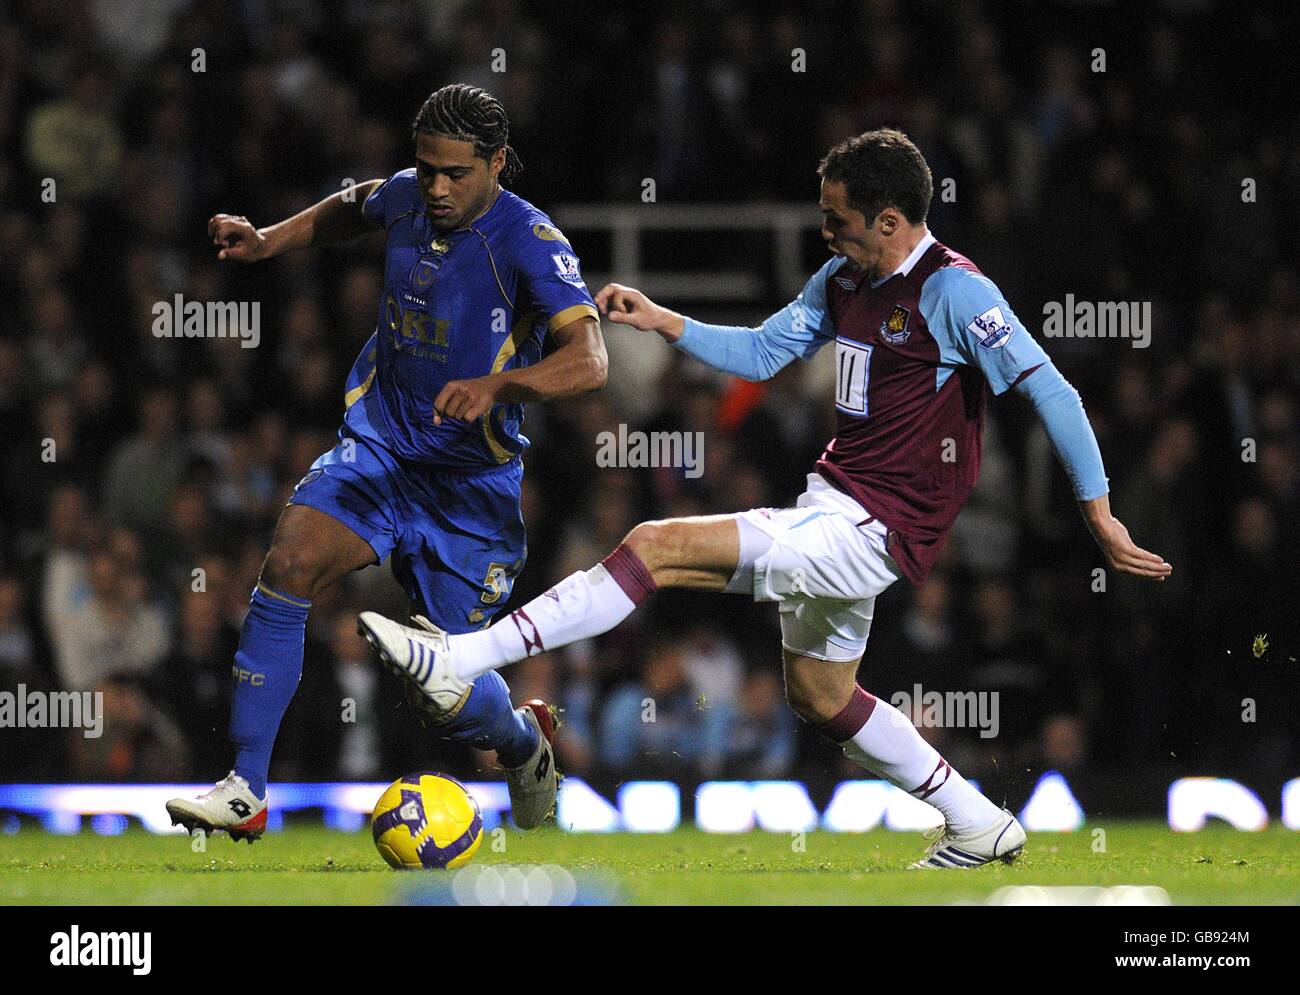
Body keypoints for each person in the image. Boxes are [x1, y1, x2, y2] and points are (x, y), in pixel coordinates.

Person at [358, 128, 1170, 868]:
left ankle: (464, 658)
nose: (826, 230)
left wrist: (1097, 510)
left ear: (889, 221)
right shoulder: (845, 277)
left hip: (871, 527)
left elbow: (1052, 391)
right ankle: (977, 821)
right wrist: (662, 319)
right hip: (835, 502)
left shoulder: (957, 293)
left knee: (654, 543)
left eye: (837, 218)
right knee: (820, 696)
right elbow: (759, 352)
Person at [167, 84, 607, 841]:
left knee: (442, 695)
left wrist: (500, 384)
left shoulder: (530, 242)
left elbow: (591, 359)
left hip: (469, 491)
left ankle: (524, 744)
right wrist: (268, 239)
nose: (435, 187)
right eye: (426, 168)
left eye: (456, 174)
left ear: (498, 162)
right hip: (380, 450)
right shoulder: (408, 195)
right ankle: (244, 787)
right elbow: (356, 203)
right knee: (290, 561)